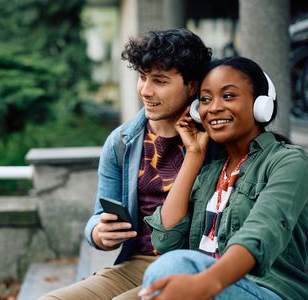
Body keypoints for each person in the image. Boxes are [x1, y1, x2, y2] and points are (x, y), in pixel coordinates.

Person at [39, 28, 212, 300]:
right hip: (137, 264)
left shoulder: (213, 139)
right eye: (142, 77)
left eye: (160, 81)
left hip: (196, 265)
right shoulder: (121, 141)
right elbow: (99, 214)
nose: (146, 90)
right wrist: (98, 232)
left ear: (192, 85)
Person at [139, 57, 308, 300]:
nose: (214, 107)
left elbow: (262, 231)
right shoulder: (210, 173)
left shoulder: (290, 163)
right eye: (205, 100)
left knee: (172, 267)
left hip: (268, 291)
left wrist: (207, 284)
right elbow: (166, 240)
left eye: (228, 96)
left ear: (261, 105)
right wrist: (194, 155)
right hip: (209, 287)